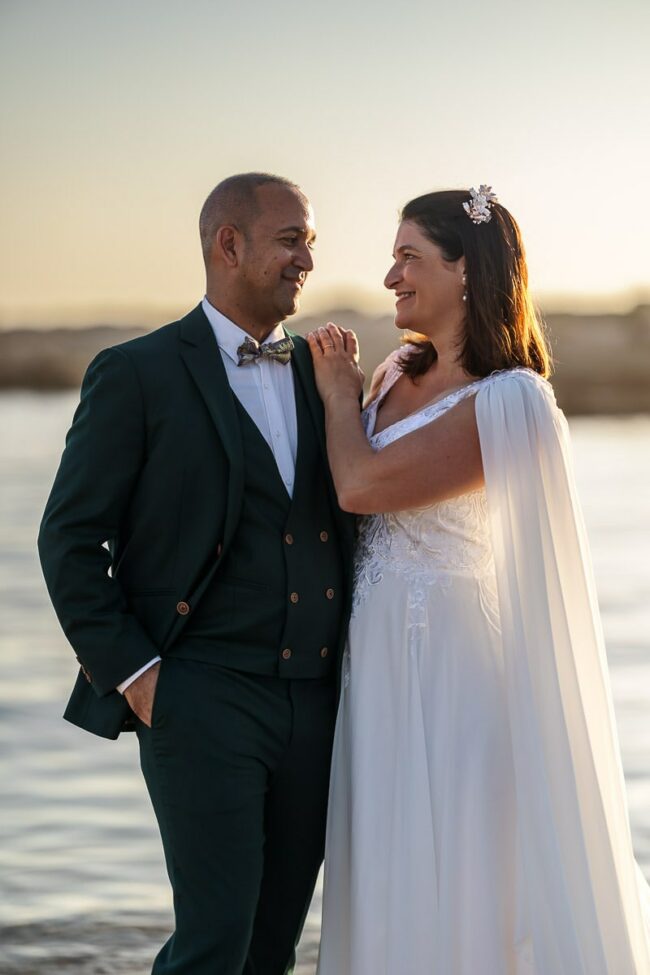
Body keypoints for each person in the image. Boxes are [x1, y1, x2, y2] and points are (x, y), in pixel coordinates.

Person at [307, 187, 650, 974]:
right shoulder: (394, 371)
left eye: (409, 257)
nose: (390, 275)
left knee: (459, 861)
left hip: (453, 670)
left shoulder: (508, 401)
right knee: (388, 850)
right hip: (380, 658)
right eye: (392, 257)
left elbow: (361, 485)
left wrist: (333, 394)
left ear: (466, 272)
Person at [37, 172, 355, 975]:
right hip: (200, 694)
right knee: (213, 941)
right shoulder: (136, 372)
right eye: (292, 240)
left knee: (272, 946)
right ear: (229, 244)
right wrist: (138, 675)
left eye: (310, 242)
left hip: (318, 703)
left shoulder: (324, 379)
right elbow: (70, 539)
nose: (307, 260)